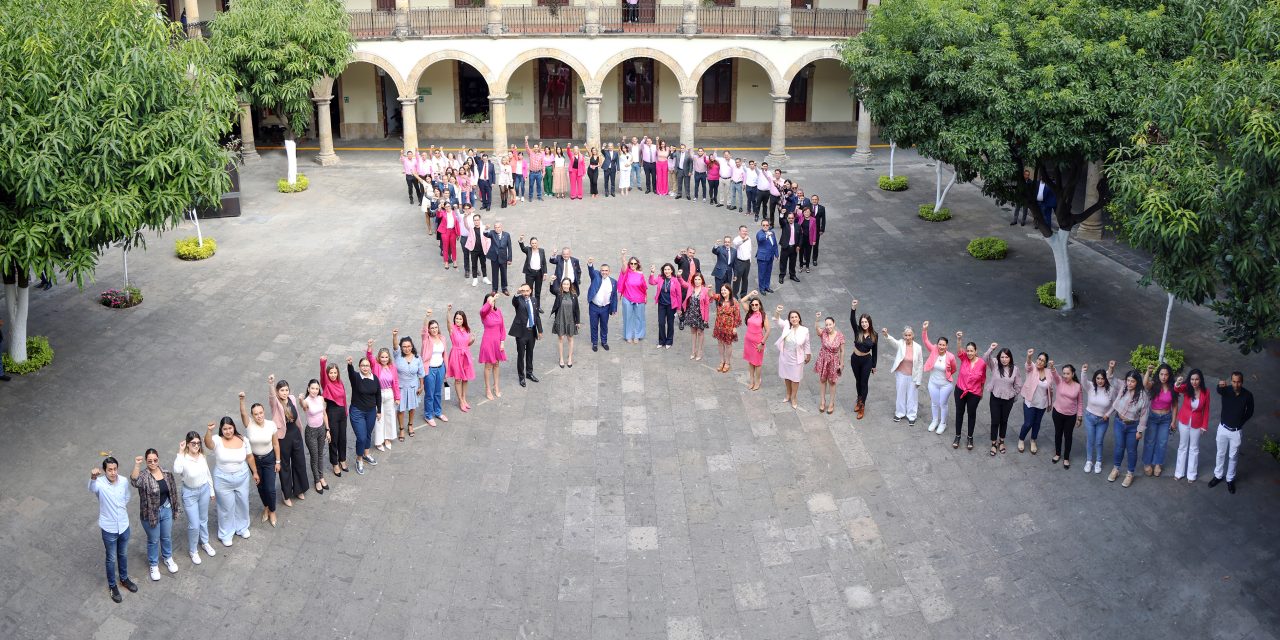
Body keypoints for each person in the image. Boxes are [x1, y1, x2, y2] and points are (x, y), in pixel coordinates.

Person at [91, 457, 139, 602]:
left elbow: (127, 496)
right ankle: (112, 586)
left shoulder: (123, 481)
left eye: (115, 469)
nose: (113, 472)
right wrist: (93, 477)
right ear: (104, 471)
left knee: (123, 554)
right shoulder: (99, 483)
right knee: (111, 558)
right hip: (109, 528)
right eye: (110, 470)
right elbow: (92, 488)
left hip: (124, 526)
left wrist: (120, 507)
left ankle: (124, 579)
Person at [130, 449, 180, 581]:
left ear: (158, 459)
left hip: (166, 509)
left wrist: (175, 508)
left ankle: (168, 558)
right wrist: (137, 465)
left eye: (155, 460)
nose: (153, 463)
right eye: (149, 461)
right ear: (146, 462)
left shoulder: (166, 473)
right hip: (150, 513)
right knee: (153, 540)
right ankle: (153, 564)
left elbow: (173, 492)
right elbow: (134, 481)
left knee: (166, 537)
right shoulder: (144, 476)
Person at [173, 431, 217, 565]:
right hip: (189, 493)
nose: (196, 445)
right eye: (193, 443)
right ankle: (193, 550)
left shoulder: (202, 456)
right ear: (187, 444)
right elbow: (177, 469)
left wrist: (211, 490)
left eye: (198, 443)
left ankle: (205, 542)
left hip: (204, 490)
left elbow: (207, 473)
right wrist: (180, 452)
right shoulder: (183, 458)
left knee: (203, 519)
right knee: (194, 524)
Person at [239, 391, 280, 526]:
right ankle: (266, 507)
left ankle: (272, 510)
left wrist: (278, 461)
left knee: (270, 488)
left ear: (264, 412)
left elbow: (275, 444)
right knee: (261, 487)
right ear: (252, 415)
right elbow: (243, 414)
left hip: (269, 459)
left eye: (261, 413)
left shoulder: (271, 425)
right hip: (255, 461)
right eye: (256, 414)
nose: (259, 416)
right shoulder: (249, 424)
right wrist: (242, 400)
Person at [1209, 372, 1254, 493]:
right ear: (1231, 381)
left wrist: (1240, 422)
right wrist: (1219, 385)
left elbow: (1250, 412)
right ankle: (1218, 476)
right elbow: (1219, 390)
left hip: (1236, 431)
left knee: (1233, 457)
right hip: (1223, 428)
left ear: (1242, 382)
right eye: (1234, 381)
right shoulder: (1226, 390)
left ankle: (1230, 479)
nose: (1236, 384)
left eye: (1238, 382)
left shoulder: (1248, 395)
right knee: (1220, 454)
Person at [267, 376, 308, 505]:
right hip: (283, 437)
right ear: (277, 391)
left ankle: (299, 489)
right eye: (282, 390)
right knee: (284, 466)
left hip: (295, 434)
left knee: (299, 462)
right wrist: (271, 384)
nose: (284, 393)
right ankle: (286, 495)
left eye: (286, 390)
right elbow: (272, 397)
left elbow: (296, 415)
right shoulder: (275, 403)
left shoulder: (292, 398)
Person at [1108, 370, 1150, 487]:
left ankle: (1130, 474)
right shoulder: (1123, 386)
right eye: (1128, 380)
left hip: (1133, 426)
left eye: (1132, 381)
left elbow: (1144, 415)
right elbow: (1111, 379)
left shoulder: (1143, 396)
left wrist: (1139, 431)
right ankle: (1116, 469)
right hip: (1119, 422)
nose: (1129, 383)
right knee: (1119, 447)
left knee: (1131, 450)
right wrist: (1111, 368)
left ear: (1137, 382)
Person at [952, 337, 992, 449]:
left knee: (971, 414)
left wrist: (981, 392)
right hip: (960, 390)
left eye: (971, 351)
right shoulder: (964, 358)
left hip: (974, 393)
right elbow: (959, 350)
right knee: (959, 413)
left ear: (976, 351)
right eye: (968, 351)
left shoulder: (982, 363)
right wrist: (959, 339)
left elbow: (983, 379)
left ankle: (970, 437)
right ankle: (957, 436)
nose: (969, 353)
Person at [1172, 369, 1210, 483]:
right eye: (1192, 379)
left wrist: (1204, 425)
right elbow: (1177, 389)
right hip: (1184, 421)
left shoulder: (1206, 392)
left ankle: (1192, 474)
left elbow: (1206, 410)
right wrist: (1178, 382)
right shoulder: (1186, 388)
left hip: (1197, 423)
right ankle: (1179, 473)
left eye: (1197, 379)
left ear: (1200, 380)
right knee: (1182, 446)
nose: (1194, 382)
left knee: (1194, 448)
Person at [346, 355, 382, 474]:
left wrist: (379, 411)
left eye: (367, 365)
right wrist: (350, 365)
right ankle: (359, 459)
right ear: (359, 367)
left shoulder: (374, 378)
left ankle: (366, 454)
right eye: (362, 365)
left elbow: (378, 395)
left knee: (368, 434)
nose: (365, 368)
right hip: (357, 411)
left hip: (371, 411)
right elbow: (351, 373)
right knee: (361, 437)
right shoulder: (356, 377)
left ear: (370, 366)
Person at [920, 322, 958, 435]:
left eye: (943, 345)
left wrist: (947, 375)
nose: (941, 347)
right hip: (933, 383)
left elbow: (954, 369)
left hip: (945, 384)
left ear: (947, 346)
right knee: (934, 403)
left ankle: (943, 423)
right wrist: (924, 329)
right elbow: (926, 341)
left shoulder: (950, 356)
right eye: (940, 344)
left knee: (943, 403)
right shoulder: (934, 350)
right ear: (937, 345)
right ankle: (935, 421)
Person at [882, 325, 923, 426]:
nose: (907, 337)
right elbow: (893, 342)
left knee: (912, 396)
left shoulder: (918, 347)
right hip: (901, 374)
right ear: (903, 336)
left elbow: (920, 364)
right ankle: (899, 413)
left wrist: (919, 380)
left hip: (913, 375)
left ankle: (912, 415)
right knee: (900, 394)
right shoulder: (901, 343)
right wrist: (886, 335)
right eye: (906, 335)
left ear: (913, 335)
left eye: (909, 335)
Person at [1081, 361, 1118, 472]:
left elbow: (1115, 404)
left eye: (1102, 378)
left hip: (1103, 420)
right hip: (1089, 417)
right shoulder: (1091, 386)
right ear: (1095, 379)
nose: (1100, 381)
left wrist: (1108, 414)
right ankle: (1089, 461)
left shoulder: (1110, 390)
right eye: (1098, 378)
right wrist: (1084, 371)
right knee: (1090, 440)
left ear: (1105, 379)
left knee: (1099, 441)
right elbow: (1083, 381)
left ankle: (1098, 462)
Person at [773, 306, 812, 409]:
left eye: (796, 317)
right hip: (785, 356)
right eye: (792, 317)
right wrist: (778, 311)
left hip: (797, 358)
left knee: (795, 378)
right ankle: (788, 394)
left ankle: (794, 397)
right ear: (789, 319)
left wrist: (808, 354)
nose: (794, 319)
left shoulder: (804, 330)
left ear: (799, 318)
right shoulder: (786, 325)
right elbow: (777, 320)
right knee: (787, 376)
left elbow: (807, 343)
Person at [1141, 363, 1176, 477]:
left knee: (1162, 442)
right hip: (1153, 417)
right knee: (1150, 441)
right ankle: (1147, 463)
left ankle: (1158, 464)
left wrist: (1173, 421)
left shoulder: (1173, 387)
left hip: (1166, 418)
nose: (1164, 377)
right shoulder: (1154, 384)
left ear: (1169, 375)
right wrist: (1148, 372)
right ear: (1158, 374)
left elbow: (1175, 405)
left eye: (1166, 374)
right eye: (1161, 374)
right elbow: (1145, 384)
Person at [389, 331, 425, 439]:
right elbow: (395, 346)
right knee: (400, 409)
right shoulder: (398, 355)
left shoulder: (417, 358)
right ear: (401, 347)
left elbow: (421, 373)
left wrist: (421, 386)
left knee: (412, 407)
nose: (406, 348)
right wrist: (394, 336)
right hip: (400, 387)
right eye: (404, 346)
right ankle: (401, 429)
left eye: (408, 346)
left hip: (413, 386)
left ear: (412, 346)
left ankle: (410, 425)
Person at [297, 380, 332, 494]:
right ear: (308, 388)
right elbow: (303, 405)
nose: (314, 391)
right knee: (314, 457)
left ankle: (321, 477)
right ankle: (317, 480)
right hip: (311, 432)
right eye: (312, 388)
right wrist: (300, 399)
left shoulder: (321, 398)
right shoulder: (306, 401)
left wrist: (328, 430)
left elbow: (324, 414)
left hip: (321, 429)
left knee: (320, 455)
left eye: (317, 388)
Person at [1047, 362, 1083, 468]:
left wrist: (1079, 417)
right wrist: (1052, 367)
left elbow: (1080, 403)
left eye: (1068, 373)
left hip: (1070, 416)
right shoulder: (1060, 381)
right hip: (1057, 413)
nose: (1065, 376)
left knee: (1068, 436)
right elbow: (1055, 374)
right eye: (1064, 373)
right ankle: (1057, 454)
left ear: (1073, 374)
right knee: (1058, 434)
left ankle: (1066, 458)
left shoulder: (1078, 386)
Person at [1017, 349, 1053, 454]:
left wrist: (1050, 403)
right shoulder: (1032, 368)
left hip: (1042, 403)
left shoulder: (1048, 372)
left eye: (1042, 360)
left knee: (1037, 423)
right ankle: (1021, 439)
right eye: (1039, 359)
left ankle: (1033, 440)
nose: (1040, 361)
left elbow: (1050, 389)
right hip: (1030, 401)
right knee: (1028, 423)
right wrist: (1029, 356)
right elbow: (1028, 364)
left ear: (1045, 363)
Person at [987, 347, 1021, 455]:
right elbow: (985, 358)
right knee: (995, 421)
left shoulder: (1015, 369)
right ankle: (993, 443)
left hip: (1008, 399)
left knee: (1004, 421)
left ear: (1010, 358)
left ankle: (1001, 441)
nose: (1004, 359)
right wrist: (991, 349)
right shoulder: (995, 365)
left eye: (1006, 357)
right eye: (1002, 357)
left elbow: (1018, 384)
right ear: (999, 357)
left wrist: (1014, 394)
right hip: (995, 397)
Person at [365, 343, 399, 452]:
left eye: (386, 357)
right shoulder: (376, 366)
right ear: (379, 357)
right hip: (378, 394)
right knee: (379, 418)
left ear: (389, 358)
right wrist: (369, 347)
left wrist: (397, 397)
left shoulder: (392, 368)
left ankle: (387, 438)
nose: (384, 359)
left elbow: (396, 382)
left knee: (389, 416)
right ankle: (379, 441)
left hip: (389, 393)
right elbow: (369, 357)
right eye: (382, 357)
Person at [319, 357, 349, 477]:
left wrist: (346, 412)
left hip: (342, 413)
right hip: (332, 412)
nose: (333, 375)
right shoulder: (326, 383)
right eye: (330, 373)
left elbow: (344, 398)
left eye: (335, 372)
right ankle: (335, 463)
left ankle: (342, 459)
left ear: (338, 373)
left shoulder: (340, 382)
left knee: (343, 438)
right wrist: (323, 363)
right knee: (334, 439)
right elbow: (322, 374)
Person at [848, 300, 878, 419]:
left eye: (866, 322)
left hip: (867, 361)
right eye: (862, 322)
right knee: (858, 381)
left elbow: (875, 351)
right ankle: (859, 399)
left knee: (864, 382)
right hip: (855, 359)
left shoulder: (874, 335)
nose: (864, 324)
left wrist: (874, 365)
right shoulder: (858, 331)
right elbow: (852, 320)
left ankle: (862, 406)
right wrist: (853, 307)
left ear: (869, 323)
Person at [509, 283, 543, 387]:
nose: (525, 293)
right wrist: (517, 293)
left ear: (530, 291)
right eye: (523, 291)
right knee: (521, 355)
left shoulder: (534, 300)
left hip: (531, 332)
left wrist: (540, 330)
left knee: (530, 353)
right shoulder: (518, 300)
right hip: (521, 332)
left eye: (527, 291)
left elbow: (537, 316)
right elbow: (514, 301)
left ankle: (529, 373)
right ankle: (521, 377)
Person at [420, 312, 449, 426]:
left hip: (440, 368)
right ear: (429, 329)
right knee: (429, 394)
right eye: (432, 328)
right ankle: (428, 415)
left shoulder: (442, 338)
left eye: (436, 327)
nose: (434, 329)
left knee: (438, 392)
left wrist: (446, 369)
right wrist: (427, 317)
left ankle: (438, 412)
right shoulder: (426, 339)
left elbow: (444, 354)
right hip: (430, 369)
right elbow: (423, 330)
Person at [813, 314, 844, 415]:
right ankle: (823, 401)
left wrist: (841, 363)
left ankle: (831, 403)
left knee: (832, 381)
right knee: (822, 380)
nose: (828, 326)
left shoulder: (840, 335)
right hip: (823, 359)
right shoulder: (823, 333)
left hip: (834, 360)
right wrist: (817, 319)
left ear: (834, 324)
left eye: (830, 324)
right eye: (826, 325)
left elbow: (842, 351)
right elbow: (817, 329)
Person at [478, 293, 508, 400]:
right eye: (489, 301)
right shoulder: (484, 314)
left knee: (496, 364)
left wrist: (502, 341)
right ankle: (488, 389)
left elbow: (502, 327)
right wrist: (490, 300)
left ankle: (496, 386)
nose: (492, 302)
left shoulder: (498, 311)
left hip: (497, 341)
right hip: (488, 341)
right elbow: (483, 310)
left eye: (493, 301)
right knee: (488, 366)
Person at [586, 258, 618, 352]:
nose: (604, 272)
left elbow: (614, 296)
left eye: (606, 270)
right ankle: (595, 343)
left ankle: (604, 342)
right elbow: (591, 271)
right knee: (594, 325)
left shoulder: (613, 282)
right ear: (600, 271)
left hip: (605, 308)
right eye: (602, 270)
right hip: (594, 307)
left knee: (604, 325)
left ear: (609, 271)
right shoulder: (596, 276)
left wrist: (614, 309)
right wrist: (590, 264)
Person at [650, 263, 685, 349]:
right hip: (661, 305)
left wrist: (679, 308)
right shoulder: (660, 278)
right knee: (661, 323)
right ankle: (661, 341)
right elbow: (651, 282)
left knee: (670, 323)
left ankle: (669, 341)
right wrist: (652, 273)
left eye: (668, 269)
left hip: (671, 306)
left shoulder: (675, 280)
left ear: (672, 270)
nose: (667, 271)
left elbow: (679, 295)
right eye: (665, 269)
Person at [550, 277, 581, 367]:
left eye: (567, 284)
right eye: (564, 284)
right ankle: (561, 358)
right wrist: (551, 281)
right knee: (561, 338)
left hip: (570, 319)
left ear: (570, 285)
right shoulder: (559, 293)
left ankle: (570, 358)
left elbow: (577, 309)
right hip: (560, 318)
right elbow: (552, 290)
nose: (565, 286)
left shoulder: (574, 295)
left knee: (570, 338)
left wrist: (578, 321)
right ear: (561, 285)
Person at [618, 251, 648, 343]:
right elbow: (624, 265)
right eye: (631, 263)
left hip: (639, 298)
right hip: (627, 298)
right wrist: (623, 256)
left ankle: (637, 336)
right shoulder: (626, 272)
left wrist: (645, 296)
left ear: (637, 264)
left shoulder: (640, 274)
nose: (633, 265)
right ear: (629, 264)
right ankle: (628, 336)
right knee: (628, 317)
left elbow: (644, 286)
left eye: (635, 263)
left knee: (639, 318)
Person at [742, 294, 770, 390]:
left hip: (758, 343)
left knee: (757, 363)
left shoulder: (763, 315)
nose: (754, 306)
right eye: (752, 304)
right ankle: (751, 380)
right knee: (750, 362)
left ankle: (757, 381)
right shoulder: (749, 313)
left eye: (756, 304)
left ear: (760, 305)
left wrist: (762, 343)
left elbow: (768, 331)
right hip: (748, 341)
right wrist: (751, 294)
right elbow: (742, 301)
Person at [711, 286, 741, 373]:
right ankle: (722, 361)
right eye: (722, 290)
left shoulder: (734, 302)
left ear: (729, 291)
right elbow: (711, 295)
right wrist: (709, 289)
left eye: (725, 290)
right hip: (719, 325)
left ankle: (727, 362)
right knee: (720, 343)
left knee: (728, 344)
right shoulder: (719, 298)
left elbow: (737, 315)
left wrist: (734, 327)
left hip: (729, 326)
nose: (723, 292)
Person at [681, 272, 711, 360]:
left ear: (702, 281)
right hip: (692, 313)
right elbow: (682, 283)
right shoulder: (691, 287)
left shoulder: (705, 290)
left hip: (700, 314)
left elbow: (707, 305)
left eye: (699, 279)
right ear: (693, 280)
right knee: (693, 333)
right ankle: (693, 351)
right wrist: (679, 276)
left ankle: (699, 351)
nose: (697, 281)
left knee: (700, 333)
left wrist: (706, 319)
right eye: (695, 279)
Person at [519, 235, 548, 310]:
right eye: (532, 243)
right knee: (529, 290)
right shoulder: (528, 250)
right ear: (530, 244)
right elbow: (522, 248)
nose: (534, 244)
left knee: (538, 291)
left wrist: (545, 273)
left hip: (539, 273)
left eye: (535, 243)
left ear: (537, 243)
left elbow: (544, 262)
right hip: (530, 273)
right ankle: (530, 305)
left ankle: (537, 306)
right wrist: (521, 240)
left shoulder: (541, 251)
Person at [484, 221, 513, 296]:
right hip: (494, 258)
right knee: (494, 274)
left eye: (498, 227)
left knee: (504, 273)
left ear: (501, 227)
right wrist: (486, 229)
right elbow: (486, 234)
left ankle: (504, 288)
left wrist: (509, 259)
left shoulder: (506, 235)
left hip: (503, 257)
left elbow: (509, 247)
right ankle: (494, 289)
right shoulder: (492, 233)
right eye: (495, 227)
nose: (497, 229)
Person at [463, 213, 491, 287]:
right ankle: (475, 279)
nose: (476, 221)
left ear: (480, 220)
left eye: (477, 220)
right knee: (474, 265)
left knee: (483, 264)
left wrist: (487, 228)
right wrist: (465, 217)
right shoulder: (471, 228)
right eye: (475, 220)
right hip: (474, 250)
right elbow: (466, 225)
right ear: (473, 221)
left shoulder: (484, 227)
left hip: (482, 250)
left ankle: (485, 277)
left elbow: (488, 236)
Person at [436, 202, 464, 270]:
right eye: (446, 207)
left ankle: (454, 260)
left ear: (451, 206)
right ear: (444, 207)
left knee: (453, 247)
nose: (448, 208)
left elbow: (457, 223)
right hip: (445, 231)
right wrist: (439, 209)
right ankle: (446, 261)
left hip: (453, 231)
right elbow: (438, 215)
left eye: (449, 206)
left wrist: (458, 233)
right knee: (445, 247)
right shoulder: (443, 213)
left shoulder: (454, 213)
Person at [755, 220, 778, 294]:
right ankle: (762, 288)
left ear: (769, 225)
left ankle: (767, 286)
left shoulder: (772, 232)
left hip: (770, 257)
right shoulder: (759, 233)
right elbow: (760, 239)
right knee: (762, 274)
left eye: (767, 225)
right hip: (762, 258)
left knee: (768, 273)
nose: (765, 226)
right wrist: (767, 235)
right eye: (763, 225)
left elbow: (774, 244)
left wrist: (776, 254)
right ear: (761, 226)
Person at [731, 225, 752, 297]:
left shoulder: (749, 238)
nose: (745, 232)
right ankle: (734, 294)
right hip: (739, 262)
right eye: (743, 231)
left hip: (747, 262)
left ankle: (743, 294)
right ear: (739, 231)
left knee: (745, 279)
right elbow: (736, 244)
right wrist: (744, 240)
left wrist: (750, 260)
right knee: (737, 279)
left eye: (746, 231)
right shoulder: (736, 239)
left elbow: (750, 250)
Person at [524, 136, 545, 201]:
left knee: (539, 185)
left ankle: (539, 196)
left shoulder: (541, 154)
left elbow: (543, 164)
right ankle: (530, 197)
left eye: (537, 147)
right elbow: (527, 147)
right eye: (535, 147)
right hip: (532, 173)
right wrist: (526, 140)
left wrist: (543, 172)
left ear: (538, 148)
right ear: (533, 148)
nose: (536, 148)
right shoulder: (530, 153)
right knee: (531, 185)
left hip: (539, 173)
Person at [809, 195, 826, 265]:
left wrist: (822, 229)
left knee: (816, 245)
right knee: (807, 244)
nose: (814, 201)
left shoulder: (822, 208)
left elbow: (823, 219)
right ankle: (806, 258)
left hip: (817, 229)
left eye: (815, 199)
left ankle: (814, 259)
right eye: (813, 199)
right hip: (809, 228)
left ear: (818, 200)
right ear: (811, 200)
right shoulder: (808, 207)